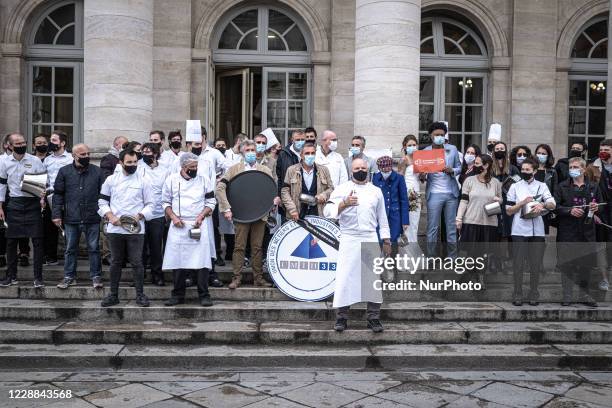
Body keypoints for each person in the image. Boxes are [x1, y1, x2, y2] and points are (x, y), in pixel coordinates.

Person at [324, 158, 391, 333]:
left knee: (372, 278)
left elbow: (382, 218)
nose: (360, 170)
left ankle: (373, 318)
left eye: (363, 167)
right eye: (357, 168)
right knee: (345, 278)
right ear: (351, 170)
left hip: (369, 236)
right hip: (349, 238)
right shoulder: (342, 189)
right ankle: (341, 317)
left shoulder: (376, 191)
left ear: (368, 169)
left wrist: (386, 240)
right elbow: (328, 212)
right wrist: (343, 203)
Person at [217, 140, 279, 289]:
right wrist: (227, 208)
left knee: (257, 247)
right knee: (239, 247)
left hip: (260, 214)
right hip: (241, 214)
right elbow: (220, 188)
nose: (251, 152)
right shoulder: (233, 170)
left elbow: (270, 189)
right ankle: (236, 278)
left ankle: (258, 279)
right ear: (243, 152)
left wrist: (274, 200)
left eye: (253, 149)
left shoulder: (264, 170)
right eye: (248, 150)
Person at [98, 149, 155, 307]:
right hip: (115, 229)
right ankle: (113, 295)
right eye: (129, 162)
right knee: (116, 262)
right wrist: (111, 217)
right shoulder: (110, 180)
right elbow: (102, 201)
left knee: (137, 262)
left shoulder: (144, 181)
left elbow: (151, 204)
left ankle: (140, 295)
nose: (133, 165)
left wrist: (140, 215)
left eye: (135, 162)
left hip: (136, 230)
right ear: (121, 163)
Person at [162, 153, 215, 307]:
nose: (195, 170)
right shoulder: (171, 180)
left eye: (196, 167)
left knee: (202, 261)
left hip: (198, 223)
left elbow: (211, 201)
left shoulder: (203, 179)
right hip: (179, 224)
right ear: (183, 167)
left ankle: (204, 294)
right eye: (192, 167)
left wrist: (201, 216)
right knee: (178, 260)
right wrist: (173, 217)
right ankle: (177, 294)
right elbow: (165, 201)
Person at [506, 158, 556, 306]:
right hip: (519, 230)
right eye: (523, 169)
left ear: (534, 171)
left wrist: (542, 204)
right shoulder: (515, 187)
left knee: (535, 264)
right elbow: (508, 211)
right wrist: (522, 203)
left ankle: (534, 292)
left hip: (537, 231)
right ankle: (517, 293)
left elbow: (552, 204)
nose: (524, 172)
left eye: (528, 170)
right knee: (518, 264)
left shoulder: (542, 186)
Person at [53, 144, 104, 289]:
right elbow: (58, 194)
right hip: (71, 217)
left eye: (88, 153)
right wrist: (57, 214)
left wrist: (104, 213)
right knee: (70, 248)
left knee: (94, 248)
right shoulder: (64, 172)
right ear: (74, 156)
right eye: (83, 155)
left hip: (92, 216)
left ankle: (96, 276)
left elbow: (103, 194)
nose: (87, 156)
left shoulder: (97, 172)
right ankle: (69, 276)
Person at [0, 133, 46, 287]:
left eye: (23, 143)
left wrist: (42, 198)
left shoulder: (35, 160)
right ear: (10, 146)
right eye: (17, 144)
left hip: (33, 203)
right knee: (11, 241)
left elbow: (44, 182)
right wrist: (0, 206)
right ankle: (11, 276)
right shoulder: (3, 161)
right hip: (14, 203)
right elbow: (1, 184)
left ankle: (38, 278)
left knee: (38, 241)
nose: (21, 146)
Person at [554, 157, 600, 307]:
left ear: (583, 169)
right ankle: (567, 295)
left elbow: (602, 205)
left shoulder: (593, 186)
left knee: (586, 265)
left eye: (575, 167)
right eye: (570, 167)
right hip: (567, 231)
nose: (572, 169)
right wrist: (569, 210)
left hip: (586, 231)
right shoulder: (562, 186)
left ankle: (584, 295)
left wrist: (596, 208)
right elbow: (555, 207)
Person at [456, 154, 502, 281]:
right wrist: (459, 218)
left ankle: (481, 277)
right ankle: (468, 276)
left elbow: (500, 200)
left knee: (484, 252)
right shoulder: (469, 181)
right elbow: (464, 201)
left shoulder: (495, 182)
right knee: (470, 251)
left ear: (486, 165)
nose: (474, 166)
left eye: (477, 163)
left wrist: (499, 200)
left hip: (489, 222)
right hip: (471, 220)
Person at [421, 122, 461, 252]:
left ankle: (452, 258)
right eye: (437, 134)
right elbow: (421, 176)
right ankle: (431, 258)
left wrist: (452, 170)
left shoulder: (452, 149)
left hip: (451, 193)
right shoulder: (425, 152)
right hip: (434, 193)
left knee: (451, 227)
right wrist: (422, 175)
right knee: (432, 227)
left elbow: (460, 167)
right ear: (431, 136)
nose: (440, 137)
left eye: (442, 135)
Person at [140, 143, 169, 286]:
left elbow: (168, 190)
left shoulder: (165, 169)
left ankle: (157, 275)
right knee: (140, 247)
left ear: (156, 154)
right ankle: (140, 275)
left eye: (148, 152)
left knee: (156, 246)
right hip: (140, 213)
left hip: (158, 213)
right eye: (143, 152)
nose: (145, 154)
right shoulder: (138, 167)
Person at [43, 130, 74, 265]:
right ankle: (51, 256)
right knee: (50, 228)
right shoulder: (47, 160)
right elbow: (44, 179)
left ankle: (70, 256)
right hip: (50, 196)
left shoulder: (71, 159)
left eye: (54, 140)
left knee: (69, 227)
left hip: (67, 196)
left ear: (63, 143)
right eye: (51, 140)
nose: (51, 143)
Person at [281, 141, 333, 220]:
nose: (310, 156)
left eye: (312, 153)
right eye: (307, 153)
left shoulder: (324, 170)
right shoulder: (291, 170)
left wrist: (324, 195)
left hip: (318, 213)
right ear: (301, 155)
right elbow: (285, 191)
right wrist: (292, 209)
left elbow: (331, 188)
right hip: (297, 214)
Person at [372, 156, 409, 264]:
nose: (386, 170)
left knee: (393, 242)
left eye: (388, 167)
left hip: (395, 216)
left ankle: (392, 270)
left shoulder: (399, 178)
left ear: (391, 166)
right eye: (383, 167)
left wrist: (405, 221)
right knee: (380, 241)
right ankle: (380, 270)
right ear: (379, 167)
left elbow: (404, 200)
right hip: (379, 216)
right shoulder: (375, 178)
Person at [534, 143, 558, 234]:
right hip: (530, 205)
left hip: (544, 208)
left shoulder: (552, 171)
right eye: (539, 153)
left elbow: (554, 190)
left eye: (543, 154)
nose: (541, 155)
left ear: (548, 156)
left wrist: (551, 206)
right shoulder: (531, 169)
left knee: (541, 235)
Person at [276, 129, 305, 198]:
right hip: (288, 195)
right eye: (298, 140)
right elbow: (279, 177)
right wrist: (280, 196)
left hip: (305, 195)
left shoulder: (309, 154)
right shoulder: (283, 154)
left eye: (302, 139)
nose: (300, 142)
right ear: (292, 140)